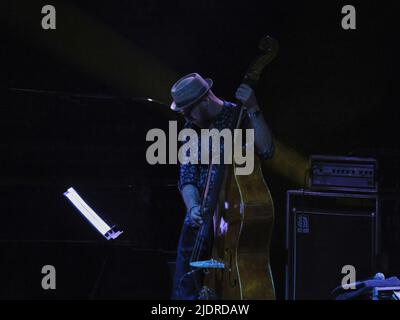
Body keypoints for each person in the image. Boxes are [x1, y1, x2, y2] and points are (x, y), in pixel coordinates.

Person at [169, 73, 274, 299]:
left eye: (189, 110)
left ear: (205, 100)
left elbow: (266, 149)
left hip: (232, 220)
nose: (186, 117)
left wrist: (253, 106)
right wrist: (193, 206)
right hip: (199, 224)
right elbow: (187, 177)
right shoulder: (191, 129)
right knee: (184, 293)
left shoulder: (240, 116)